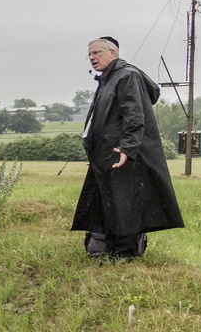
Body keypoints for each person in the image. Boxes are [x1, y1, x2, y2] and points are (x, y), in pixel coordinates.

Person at [71, 36, 184, 260]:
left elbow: (134, 116)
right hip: (107, 152)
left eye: (97, 52)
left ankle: (126, 252)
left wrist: (127, 148)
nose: (92, 58)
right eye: (90, 54)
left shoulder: (126, 76)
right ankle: (106, 247)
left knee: (126, 200)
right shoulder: (108, 79)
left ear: (113, 52)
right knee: (108, 199)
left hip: (123, 153)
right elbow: (102, 120)